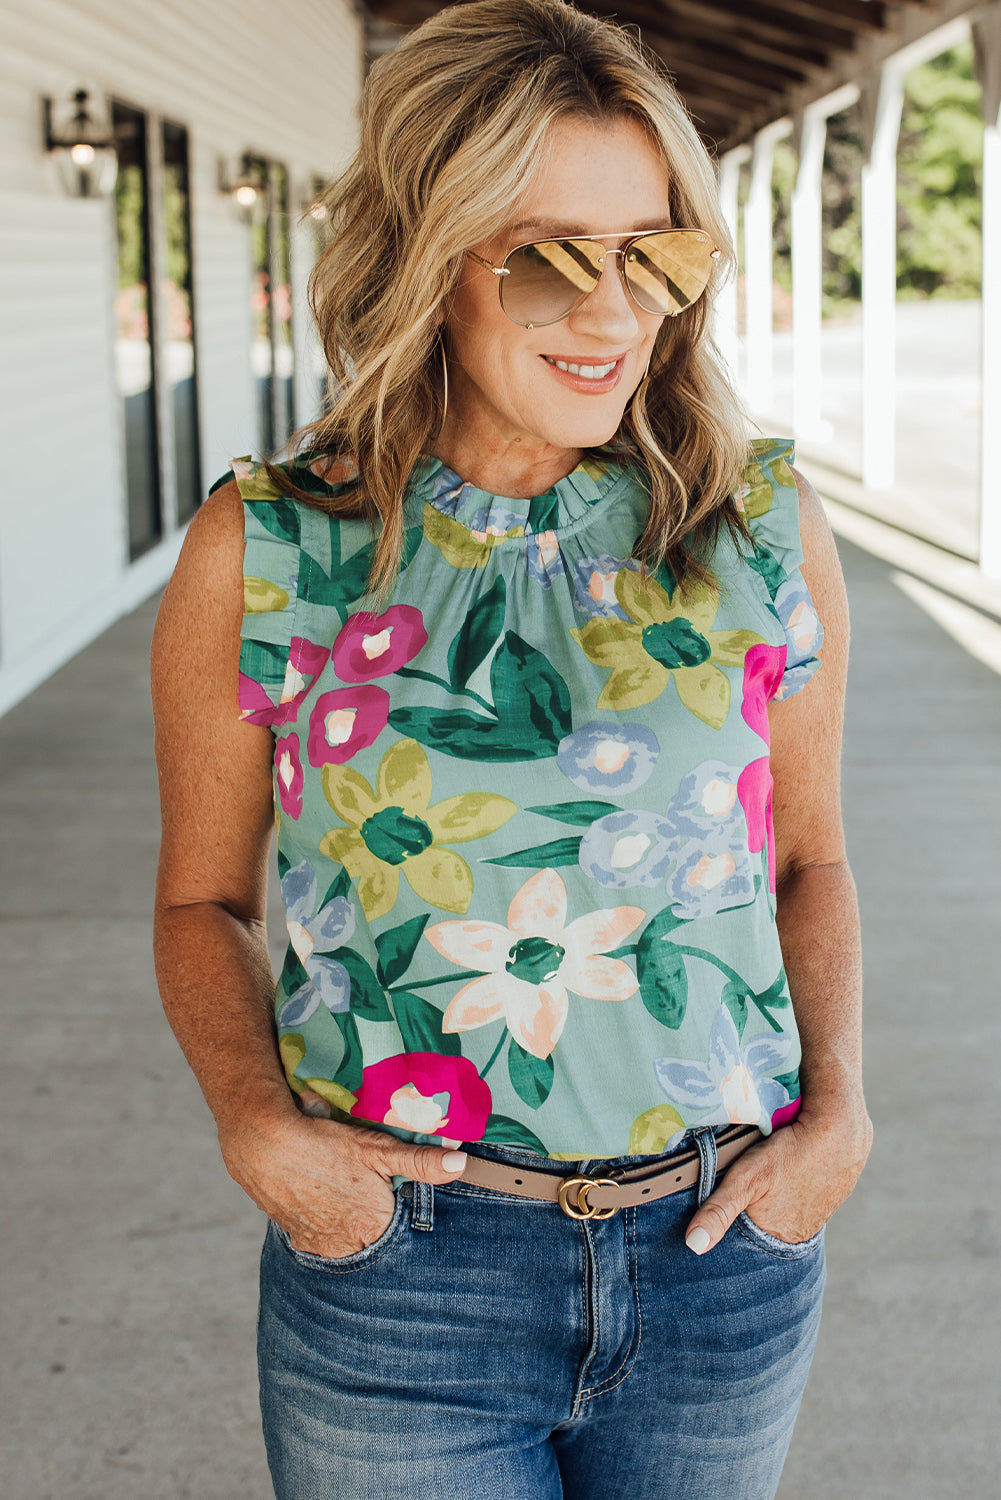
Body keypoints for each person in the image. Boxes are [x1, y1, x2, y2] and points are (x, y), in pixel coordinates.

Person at [151, 2, 872, 1495]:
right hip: (406, 1270)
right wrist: (258, 1131)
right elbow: (197, 903)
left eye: (656, 256)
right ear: (427, 256)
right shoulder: (274, 545)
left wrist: (839, 1119)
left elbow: (807, 856)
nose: (612, 314)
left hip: (718, 1252)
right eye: (547, 254)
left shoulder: (755, 531)